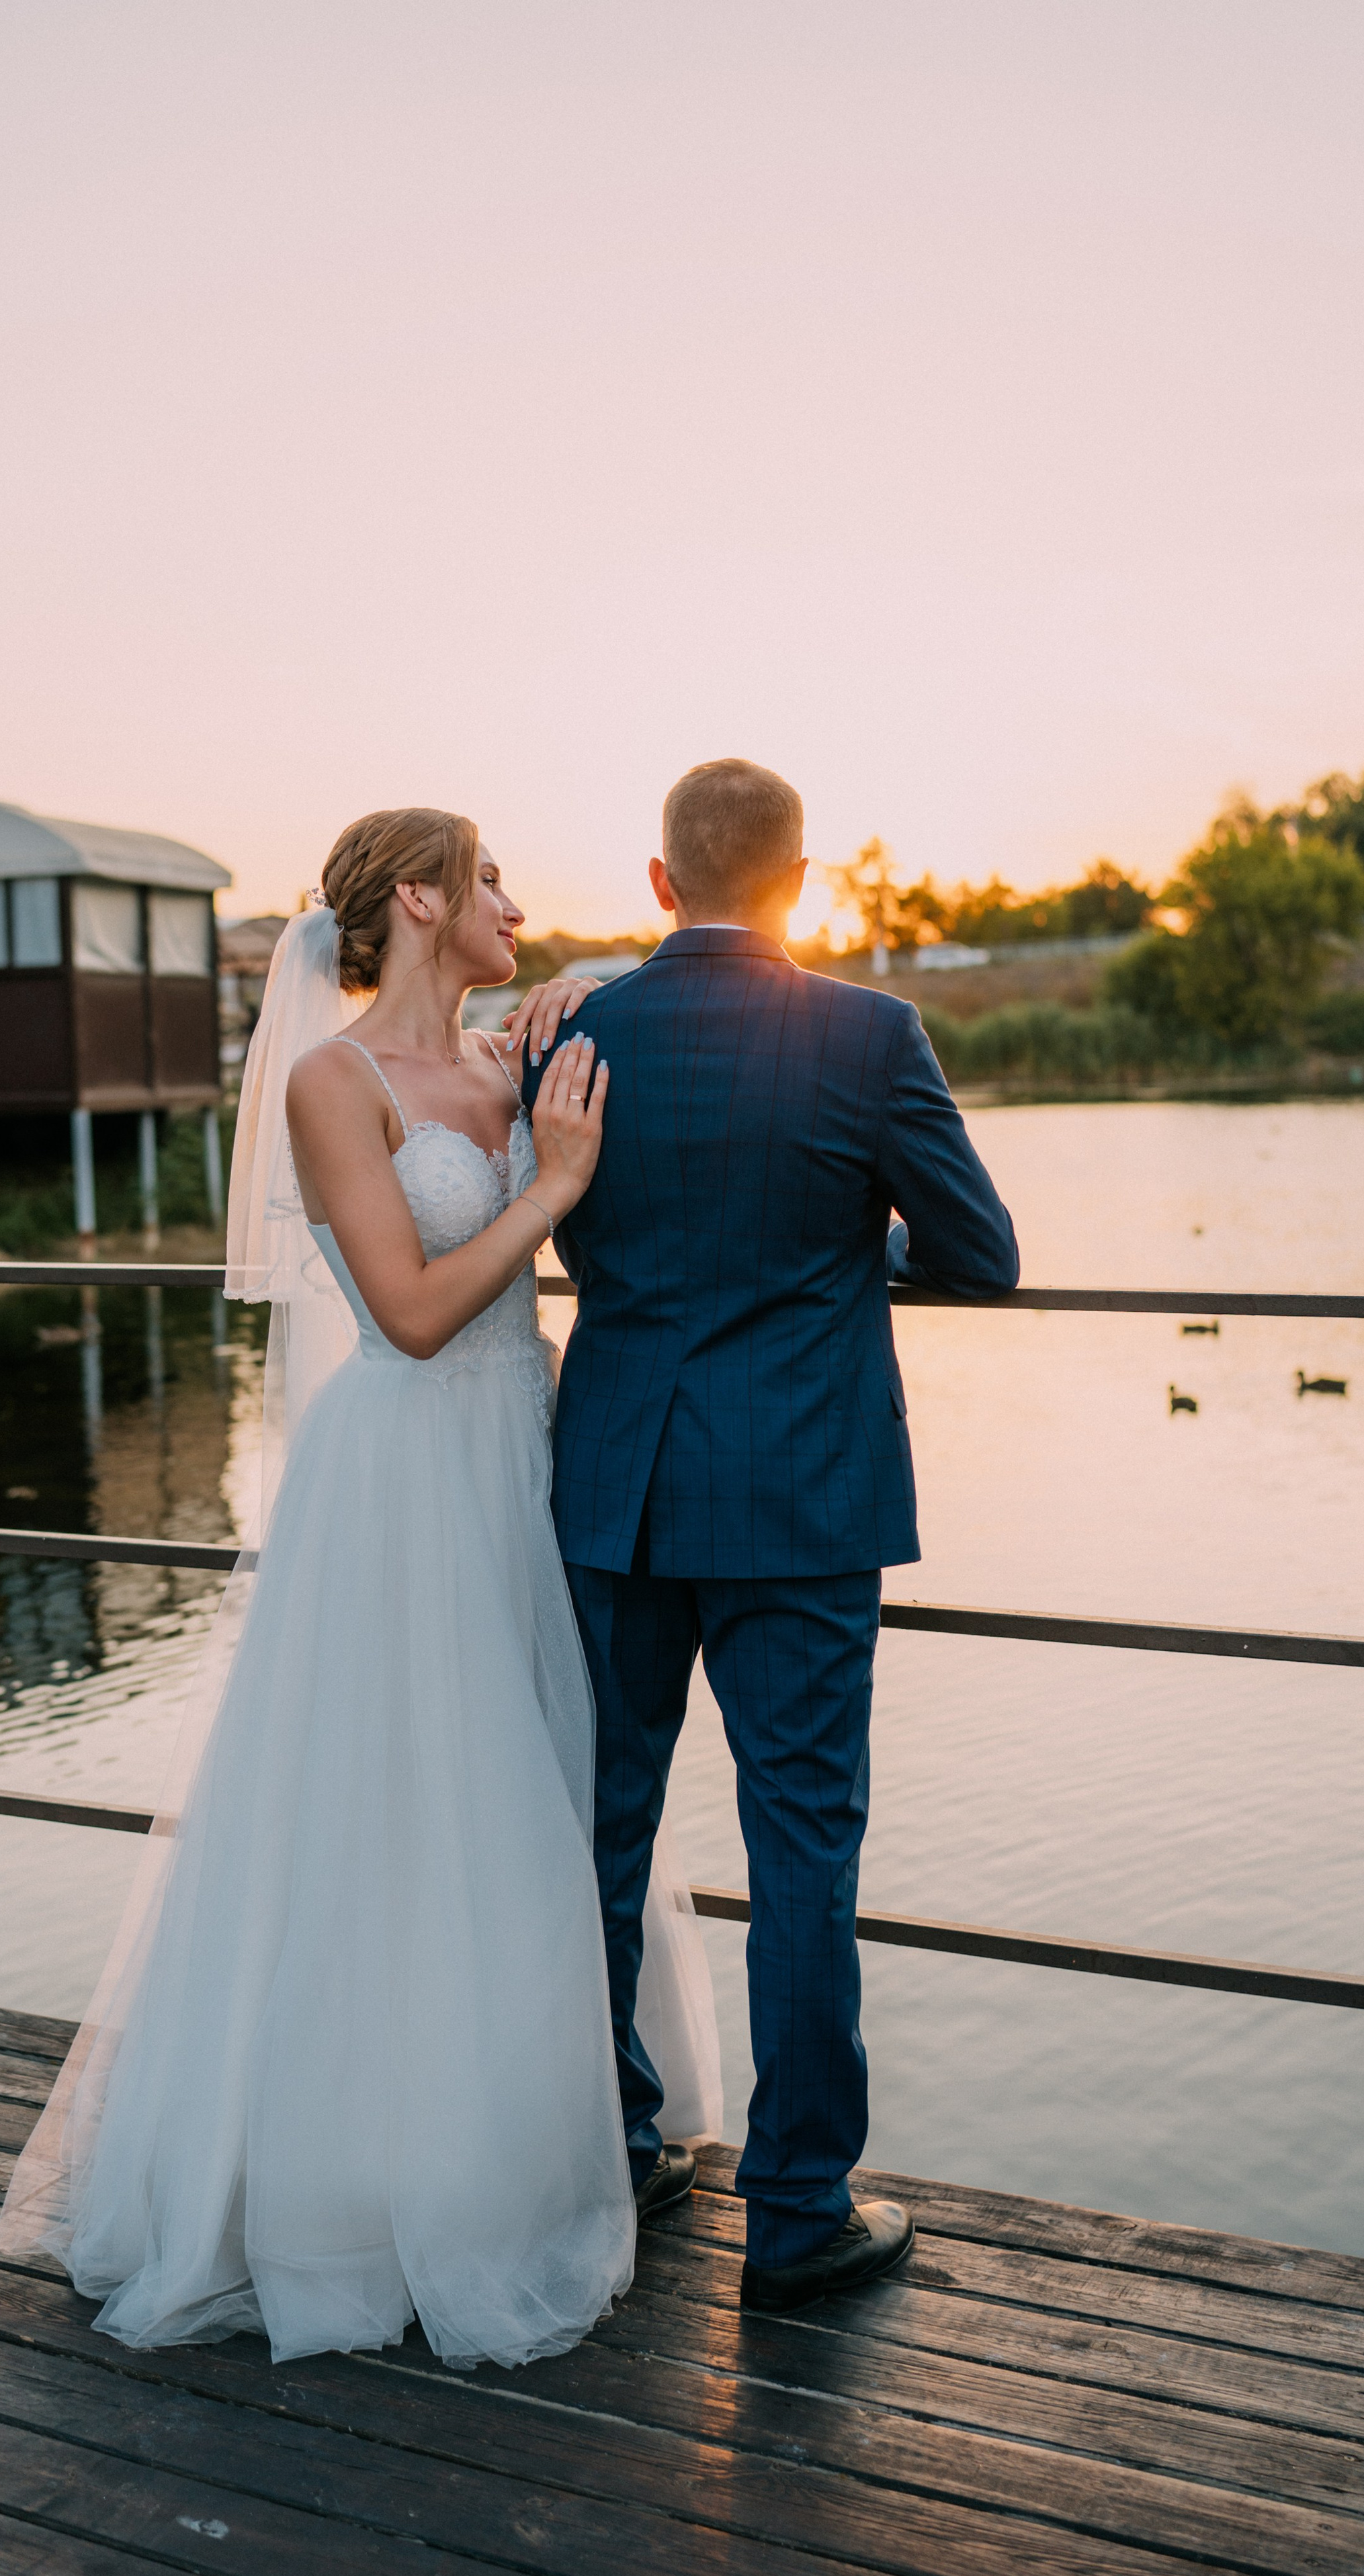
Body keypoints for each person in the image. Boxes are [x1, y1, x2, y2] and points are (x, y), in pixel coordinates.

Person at [0, 807, 720, 2369]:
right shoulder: (336, 1082)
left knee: (529, 1789)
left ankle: (519, 2135)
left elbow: (627, 985)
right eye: (494, 882)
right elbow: (402, 1310)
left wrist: (568, 1002)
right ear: (418, 899)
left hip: (521, 1457)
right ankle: (352, 2178)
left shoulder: (506, 1058)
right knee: (392, 1804)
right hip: (399, 1478)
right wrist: (554, 1181)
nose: (518, 905)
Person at [519, 757, 1019, 2315]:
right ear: (798, 880)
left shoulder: (572, 1027)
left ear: (658, 884)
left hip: (614, 1486)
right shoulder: (869, 1036)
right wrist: (845, 1244)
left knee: (594, 1831)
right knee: (803, 1846)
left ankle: (612, 2139)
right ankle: (795, 2207)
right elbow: (979, 1256)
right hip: (799, 1496)